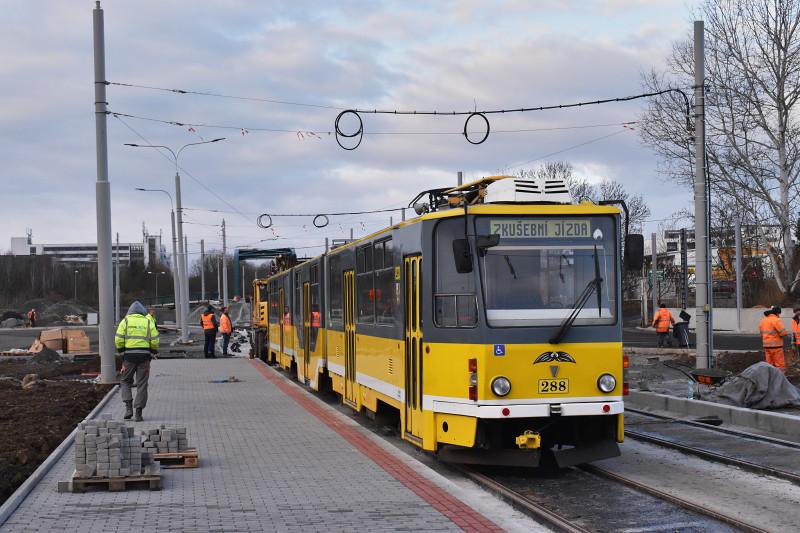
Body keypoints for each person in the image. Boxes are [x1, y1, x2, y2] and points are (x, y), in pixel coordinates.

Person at [115, 301, 159, 421]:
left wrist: (122, 353)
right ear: (142, 312)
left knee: (125, 381)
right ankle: (138, 413)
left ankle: (128, 407)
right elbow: (155, 340)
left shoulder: (125, 321)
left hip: (129, 356)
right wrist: (152, 353)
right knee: (142, 384)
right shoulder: (148, 321)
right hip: (144, 356)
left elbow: (118, 339)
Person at [759, 305, 788, 372]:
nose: (779, 315)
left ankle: (770, 379)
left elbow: (761, 333)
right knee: (780, 365)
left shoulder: (763, 320)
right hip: (776, 346)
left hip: (766, 346)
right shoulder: (776, 320)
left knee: (769, 365)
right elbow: (783, 332)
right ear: (777, 313)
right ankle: (780, 379)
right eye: (779, 314)